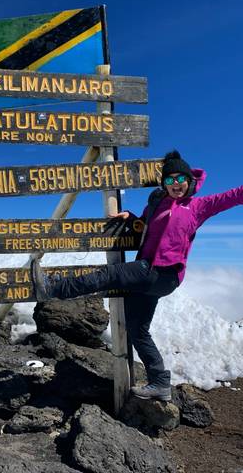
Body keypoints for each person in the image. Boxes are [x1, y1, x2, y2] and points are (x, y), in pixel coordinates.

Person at [30, 151, 243, 401]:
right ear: (164, 183)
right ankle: (160, 382)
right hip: (148, 273)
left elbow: (234, 196)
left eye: (180, 179)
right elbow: (144, 225)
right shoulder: (156, 204)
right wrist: (130, 218)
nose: (175, 185)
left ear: (190, 180)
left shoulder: (197, 207)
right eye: (169, 180)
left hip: (162, 273)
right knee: (137, 329)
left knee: (109, 275)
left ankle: (55, 288)